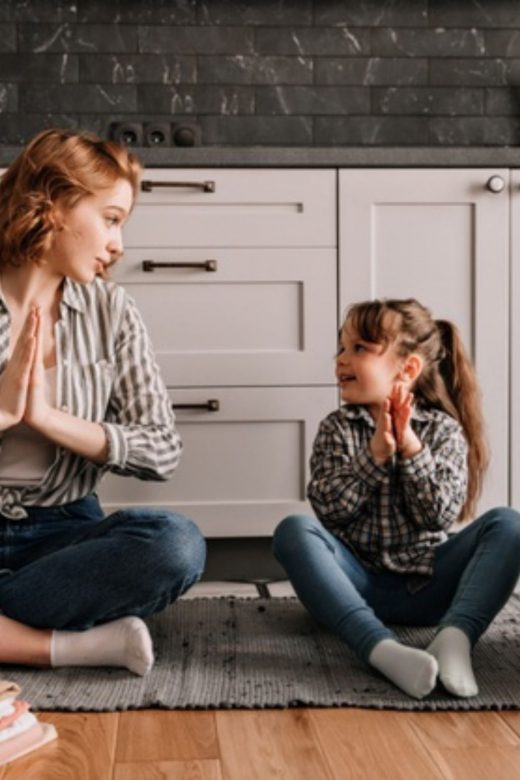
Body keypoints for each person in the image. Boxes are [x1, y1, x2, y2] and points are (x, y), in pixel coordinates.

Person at [0, 128, 206, 676]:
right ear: (55, 204)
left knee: (176, 545)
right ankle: (63, 644)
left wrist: (47, 420)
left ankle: (12, 629)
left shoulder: (112, 311)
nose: (119, 244)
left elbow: (161, 450)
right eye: (111, 218)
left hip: (62, 536)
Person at [273, 297, 520, 699]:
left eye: (359, 349)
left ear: (407, 369)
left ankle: (455, 640)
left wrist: (409, 447)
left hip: (432, 590)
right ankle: (379, 648)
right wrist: (374, 456)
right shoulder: (337, 429)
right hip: (356, 587)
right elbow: (331, 513)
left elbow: (438, 517)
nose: (340, 359)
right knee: (293, 530)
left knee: (510, 524)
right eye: (341, 347)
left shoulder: (442, 431)